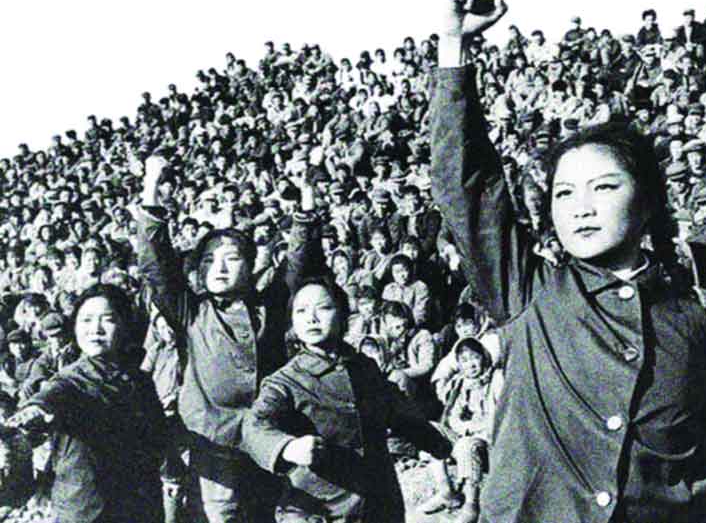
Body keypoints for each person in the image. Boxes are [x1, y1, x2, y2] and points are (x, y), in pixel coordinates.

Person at [430, 0, 706, 522]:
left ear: (646, 203)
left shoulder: (695, 321)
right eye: (564, 193)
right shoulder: (529, 292)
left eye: (603, 187)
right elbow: (467, 189)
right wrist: (454, 47)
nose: (582, 207)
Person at [135, 154, 324, 523]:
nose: (218, 267)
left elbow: (301, 262)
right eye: (208, 260)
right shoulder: (191, 311)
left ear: (251, 266)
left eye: (231, 258)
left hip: (271, 437)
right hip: (214, 444)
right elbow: (156, 262)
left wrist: (306, 196)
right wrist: (151, 185)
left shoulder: (269, 307)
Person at [240, 277, 452, 523]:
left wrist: (437, 443)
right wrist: (287, 447)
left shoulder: (365, 368)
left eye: (323, 308)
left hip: (380, 504)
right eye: (301, 311)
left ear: (342, 315)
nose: (311, 318)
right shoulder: (285, 381)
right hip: (319, 510)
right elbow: (254, 426)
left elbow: (399, 412)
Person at [4, 284, 167, 523]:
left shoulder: (139, 380)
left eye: (107, 320)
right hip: (87, 509)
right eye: (86, 320)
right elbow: (51, 397)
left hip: (138, 505)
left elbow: (159, 436)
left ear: (125, 325)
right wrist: (33, 411)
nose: (95, 329)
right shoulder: (71, 379)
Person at [420, 336, 504, 522]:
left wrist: (472, 428)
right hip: (466, 433)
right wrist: (463, 427)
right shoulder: (460, 383)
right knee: (429, 430)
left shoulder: (496, 378)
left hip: (489, 439)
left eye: (475, 358)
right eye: (464, 360)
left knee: (466, 445)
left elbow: (501, 415)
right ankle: (447, 492)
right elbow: (452, 416)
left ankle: (471, 504)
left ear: (484, 357)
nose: (471, 365)